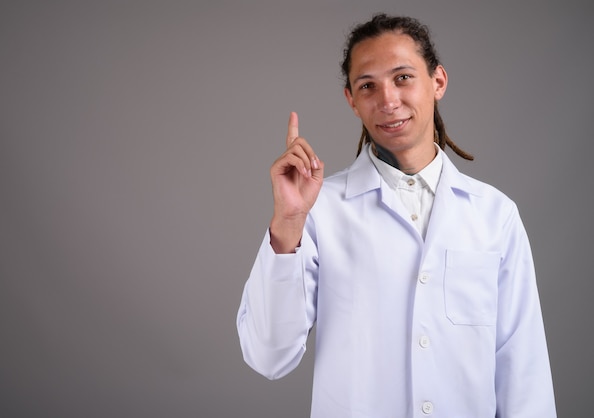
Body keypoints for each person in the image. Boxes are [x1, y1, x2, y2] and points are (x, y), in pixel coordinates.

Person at [237, 13, 556, 418]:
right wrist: (287, 224)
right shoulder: (319, 210)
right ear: (351, 100)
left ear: (437, 81)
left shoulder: (495, 215)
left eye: (403, 77)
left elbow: (523, 373)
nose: (387, 101)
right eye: (367, 86)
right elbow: (268, 357)